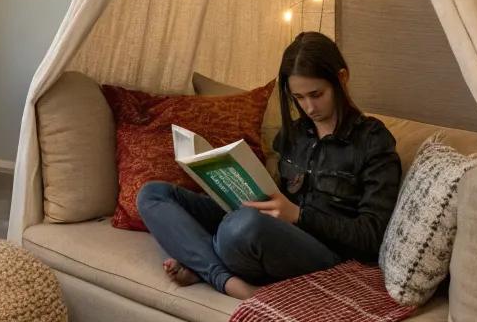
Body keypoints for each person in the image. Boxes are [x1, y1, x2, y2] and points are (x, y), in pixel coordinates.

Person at [136, 33, 401, 300]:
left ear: (341, 78)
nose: (309, 107)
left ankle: (209, 270)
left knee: (241, 227)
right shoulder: (295, 134)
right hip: (274, 235)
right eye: (299, 97)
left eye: (317, 94)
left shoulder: (372, 141)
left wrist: (299, 215)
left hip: (326, 255)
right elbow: (275, 198)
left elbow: (371, 238)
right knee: (153, 194)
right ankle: (221, 274)